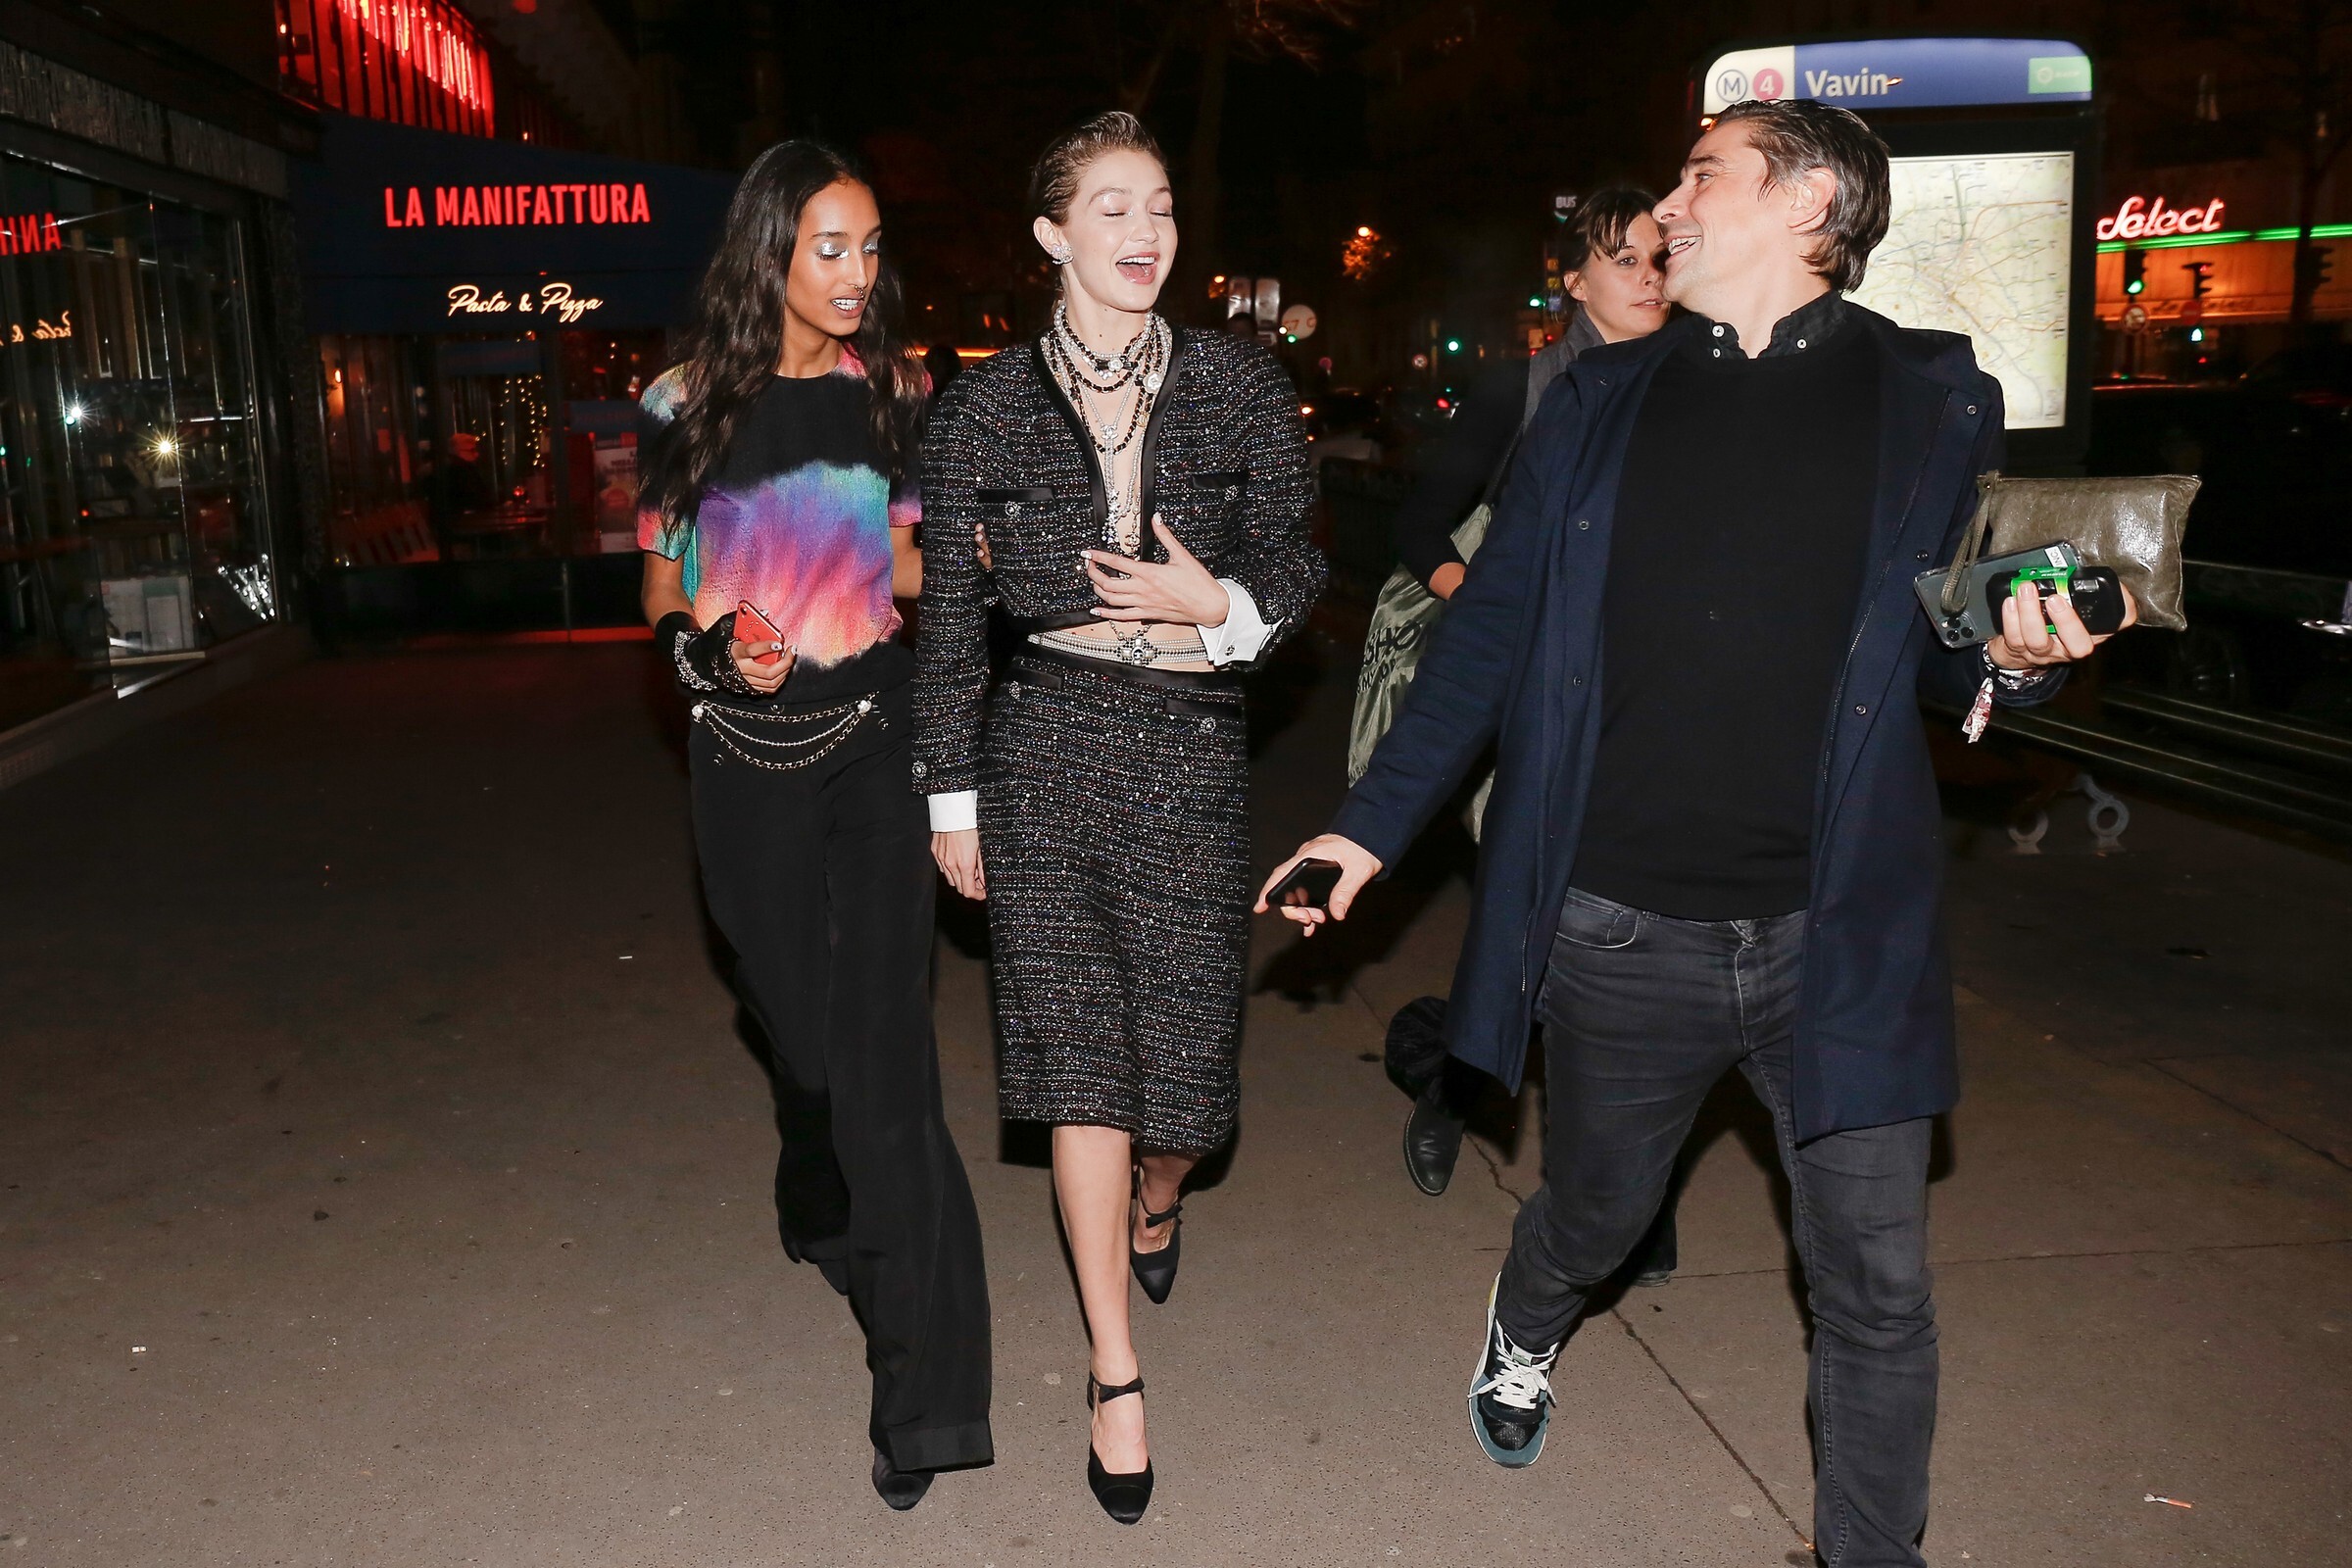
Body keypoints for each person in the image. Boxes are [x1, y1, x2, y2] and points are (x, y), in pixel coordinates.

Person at [1262, 100, 2132, 1564]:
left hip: (1841, 928)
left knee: (1877, 1289)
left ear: (1810, 203)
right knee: (1598, 1216)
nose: (1668, 203)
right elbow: (1490, 644)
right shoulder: (1599, 401)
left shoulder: (1931, 396)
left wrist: (2013, 657)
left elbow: (1933, 650)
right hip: (1622, 922)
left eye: (1702, 173)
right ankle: (1528, 1315)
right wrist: (1366, 832)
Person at [914, 111, 1322, 1525]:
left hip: (1191, 747)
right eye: (1112, 207)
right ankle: (1114, 1368)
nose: (1145, 231)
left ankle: (1164, 1189)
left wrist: (1225, 608)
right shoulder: (978, 408)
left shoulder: (1241, 384)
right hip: (1043, 745)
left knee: (1188, 1088)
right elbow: (951, 619)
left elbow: (1297, 563)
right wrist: (952, 794)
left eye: (1159, 206)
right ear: (1053, 234)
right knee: (1080, 1065)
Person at [636, 139, 992, 1513]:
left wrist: (987, 559)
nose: (858, 273)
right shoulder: (683, 401)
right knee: (808, 1043)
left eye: (871, 246)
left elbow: (898, 558)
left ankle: (925, 1399)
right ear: (770, 250)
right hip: (745, 759)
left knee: (887, 1069)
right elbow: (660, 587)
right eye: (830, 247)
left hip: (876, 748)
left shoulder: (896, 392)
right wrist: (709, 646)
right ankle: (812, 1171)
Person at [1357, 192, 1688, 1284]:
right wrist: (1493, 602)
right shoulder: (1529, 387)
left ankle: (1628, 1190)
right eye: (1622, 260)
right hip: (1525, 697)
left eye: (1659, 257)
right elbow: (1419, 523)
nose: (1648, 276)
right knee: (1537, 919)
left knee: (1631, 944)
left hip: (1638, 699)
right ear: (1574, 283)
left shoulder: (1698, 380)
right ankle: (1452, 1082)